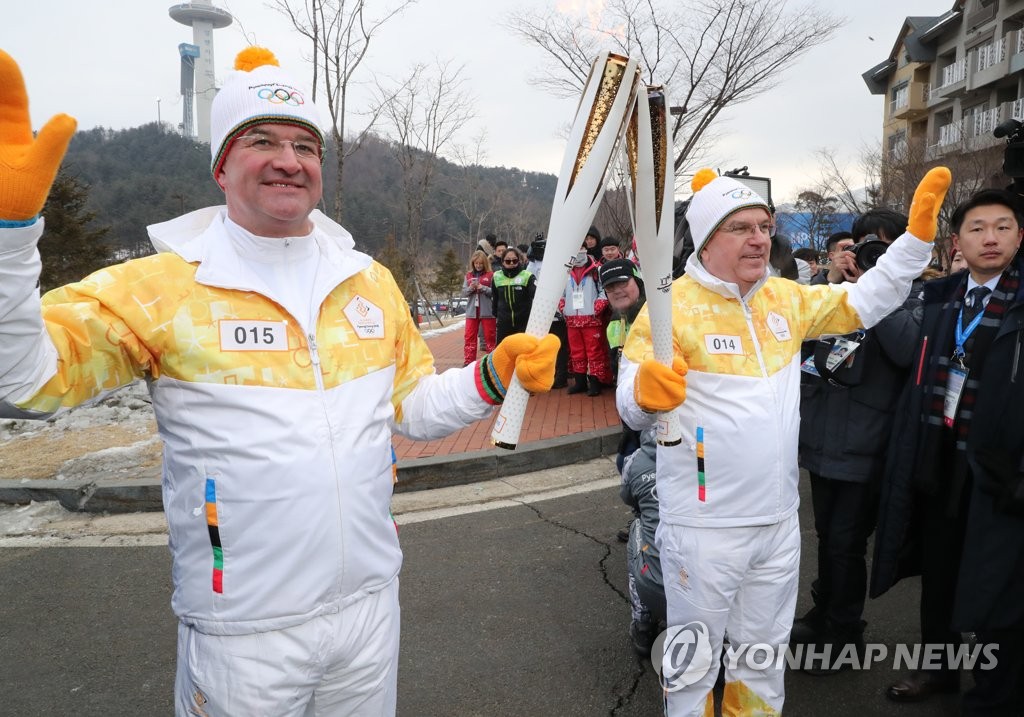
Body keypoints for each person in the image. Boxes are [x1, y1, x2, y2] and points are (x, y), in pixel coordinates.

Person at [0, 48, 559, 716]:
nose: (288, 159)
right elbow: (25, 381)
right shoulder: (162, 288)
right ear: (222, 166)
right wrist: (9, 237)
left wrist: (493, 376)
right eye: (261, 140)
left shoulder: (368, 282)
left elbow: (411, 406)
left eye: (303, 144)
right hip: (244, 630)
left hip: (368, 611)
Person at [616, 166, 950, 715]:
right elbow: (630, 402)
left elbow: (865, 300)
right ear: (706, 238)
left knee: (762, 659)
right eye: (740, 227)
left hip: (776, 521)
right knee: (695, 663)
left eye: (764, 225)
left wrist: (913, 245)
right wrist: (645, 395)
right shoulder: (668, 308)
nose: (758, 238)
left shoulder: (785, 299)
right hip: (704, 526)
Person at [871, 188, 1024, 712]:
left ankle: (996, 691)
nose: (990, 238)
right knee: (939, 570)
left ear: (1019, 236)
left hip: (1001, 468)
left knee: (998, 580)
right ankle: (939, 670)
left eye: (1002, 227)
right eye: (977, 228)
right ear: (956, 240)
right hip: (939, 453)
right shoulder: (940, 299)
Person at [792, 208, 922, 674]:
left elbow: (910, 351)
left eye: (881, 247)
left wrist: (876, 292)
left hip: (868, 443)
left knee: (846, 542)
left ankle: (844, 631)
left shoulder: (910, 296)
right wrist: (831, 281)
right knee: (828, 538)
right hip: (822, 439)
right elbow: (793, 333)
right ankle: (825, 611)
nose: (867, 255)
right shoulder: (833, 292)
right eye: (860, 245)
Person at [560, 241, 612, 396]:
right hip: (572, 320)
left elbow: (605, 290)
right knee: (576, 352)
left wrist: (598, 306)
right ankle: (580, 382)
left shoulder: (597, 269)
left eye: (580, 247)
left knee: (594, 351)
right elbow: (559, 293)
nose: (578, 251)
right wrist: (563, 307)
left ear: (585, 248)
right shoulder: (565, 270)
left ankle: (596, 383)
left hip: (592, 319)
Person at [492, 247, 536, 342]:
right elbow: (495, 298)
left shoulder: (527, 276)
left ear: (519, 260)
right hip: (504, 323)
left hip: (523, 322)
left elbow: (535, 296)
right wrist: (496, 315)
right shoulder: (496, 276)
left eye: (514, 260)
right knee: (503, 353)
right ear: (502, 262)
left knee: (522, 351)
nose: (511, 263)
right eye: (508, 261)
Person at [461, 249, 495, 366]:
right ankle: (468, 363)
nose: (479, 266)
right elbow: (464, 292)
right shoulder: (468, 275)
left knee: (490, 337)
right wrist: (471, 287)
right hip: (472, 312)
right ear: (473, 263)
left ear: (484, 263)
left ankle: (492, 363)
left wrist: (483, 288)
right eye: (476, 263)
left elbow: (494, 292)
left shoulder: (491, 275)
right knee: (469, 337)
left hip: (487, 312)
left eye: (481, 263)